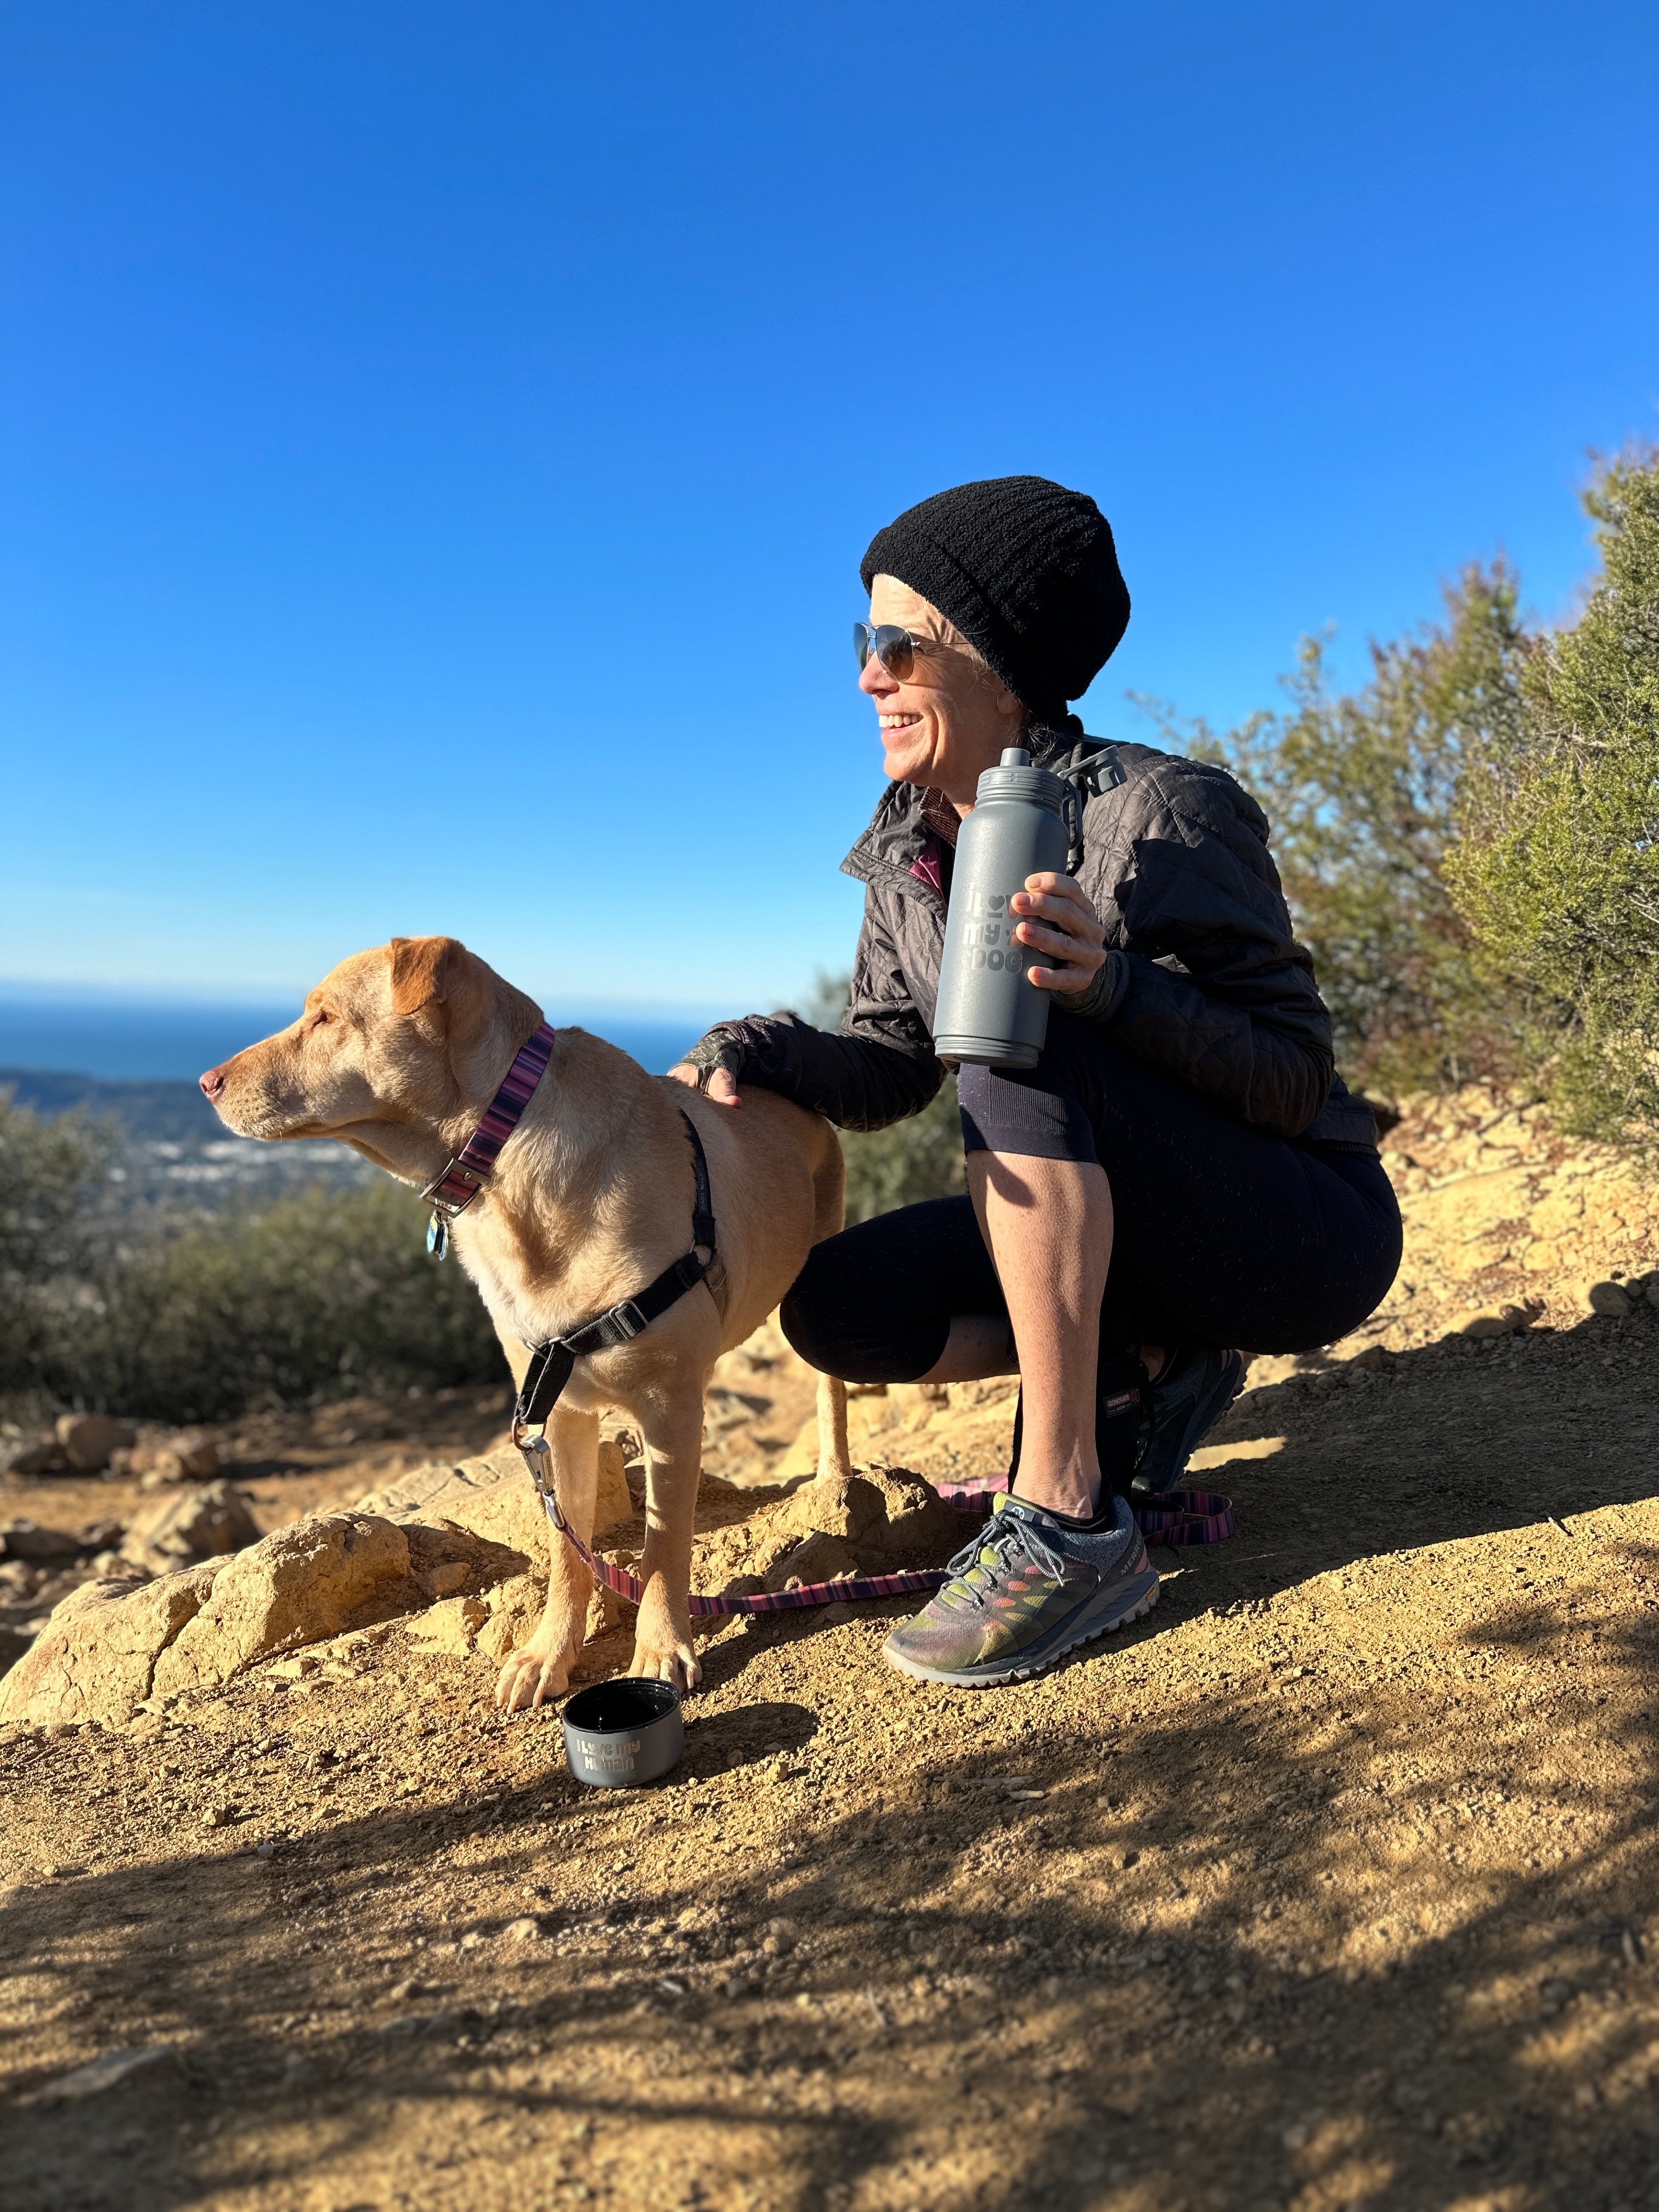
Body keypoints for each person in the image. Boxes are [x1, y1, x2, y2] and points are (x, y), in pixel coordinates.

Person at [670, 475, 1401, 1689]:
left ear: (1000, 661)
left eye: (900, 645)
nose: (868, 677)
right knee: (837, 1310)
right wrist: (764, 1050)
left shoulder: (1166, 812)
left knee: (1017, 1022)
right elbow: (899, 1064)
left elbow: (1293, 1079)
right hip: (1128, 1221)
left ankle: (1069, 1521)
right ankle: (1156, 1364)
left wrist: (1112, 986)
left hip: (1301, 1229)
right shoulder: (909, 841)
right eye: (867, 644)